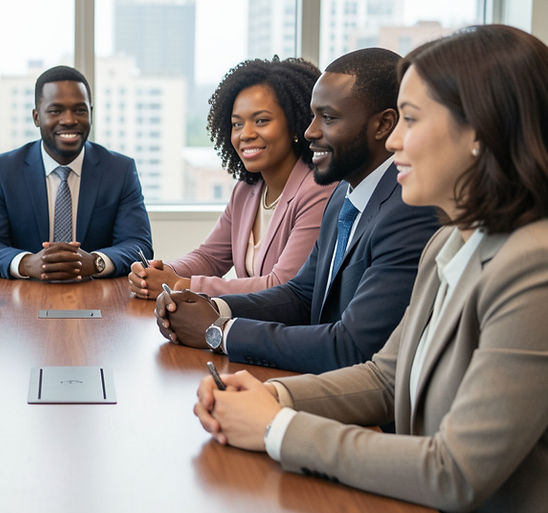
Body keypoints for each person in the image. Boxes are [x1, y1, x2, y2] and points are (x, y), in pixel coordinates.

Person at [193, 25, 548, 512]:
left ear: (481, 133)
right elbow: (385, 377)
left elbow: (457, 471)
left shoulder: (534, 267)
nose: (394, 141)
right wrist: (271, 396)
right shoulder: (449, 242)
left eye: (411, 120)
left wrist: (277, 428)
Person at [156, 48, 439, 374]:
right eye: (313, 115)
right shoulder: (344, 196)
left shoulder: (408, 209)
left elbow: (353, 347)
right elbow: (302, 295)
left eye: (328, 118)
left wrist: (220, 332)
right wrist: (211, 307)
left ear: (383, 124)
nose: (310, 131)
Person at [129, 57, 334, 298]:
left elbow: (282, 285)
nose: (245, 134)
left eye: (261, 121)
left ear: (296, 124)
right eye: (237, 124)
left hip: (288, 331)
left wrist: (179, 284)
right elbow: (210, 257)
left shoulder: (318, 190)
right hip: (248, 323)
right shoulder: (247, 190)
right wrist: (160, 272)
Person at [0, 65, 153, 280]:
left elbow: (139, 246)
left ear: (91, 113)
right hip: (21, 299)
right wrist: (27, 263)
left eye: (80, 110)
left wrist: (95, 262)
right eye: (56, 110)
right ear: (36, 117)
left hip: (99, 298)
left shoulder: (119, 170)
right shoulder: (3, 170)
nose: (69, 120)